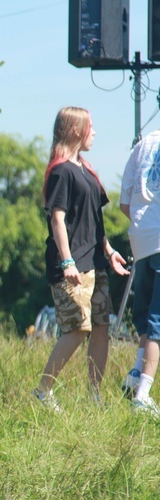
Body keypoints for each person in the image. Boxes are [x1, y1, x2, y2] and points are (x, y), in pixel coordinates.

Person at [32, 106, 128, 412]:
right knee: (77, 328)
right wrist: (67, 262)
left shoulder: (86, 170)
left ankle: (95, 397)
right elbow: (57, 220)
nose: (95, 132)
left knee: (101, 325)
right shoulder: (61, 171)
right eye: (91, 127)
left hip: (95, 263)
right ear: (76, 131)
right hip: (71, 267)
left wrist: (109, 251)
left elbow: (94, 222)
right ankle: (43, 391)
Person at [119, 126, 160, 415]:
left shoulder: (143, 144)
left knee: (145, 315)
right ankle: (143, 394)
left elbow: (125, 203)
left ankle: (134, 373)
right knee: (158, 322)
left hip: (140, 238)